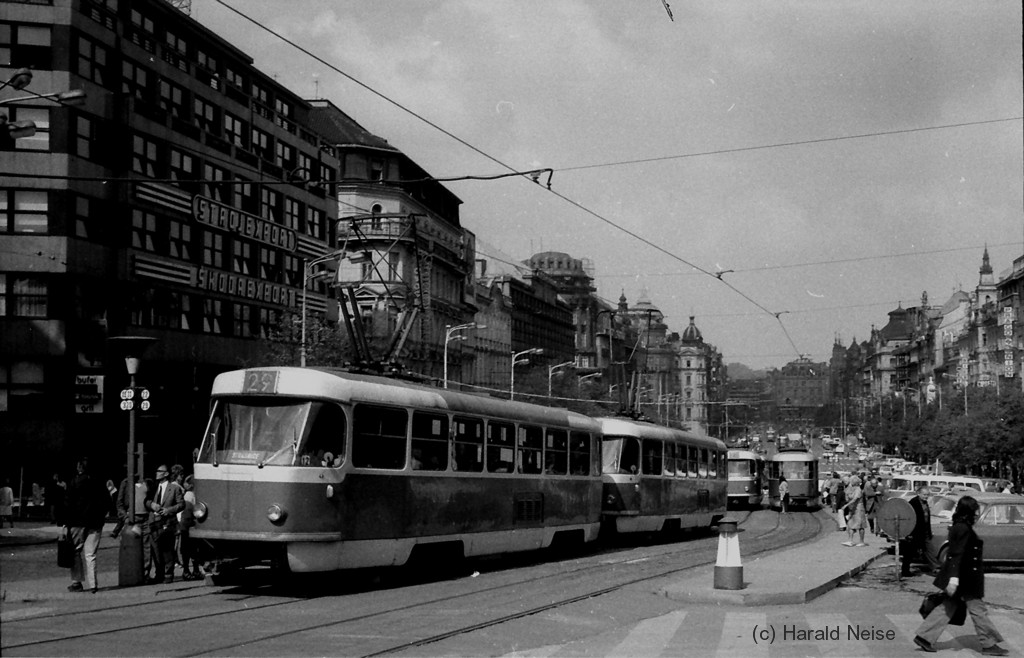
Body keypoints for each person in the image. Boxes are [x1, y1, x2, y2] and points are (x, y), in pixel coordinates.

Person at [913, 496, 1009, 655]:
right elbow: (956, 554)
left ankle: (924, 637)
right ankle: (989, 644)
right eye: (975, 510)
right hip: (966, 578)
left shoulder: (959, 526)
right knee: (979, 611)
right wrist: (954, 579)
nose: (977, 513)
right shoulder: (963, 529)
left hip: (962, 578)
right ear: (969, 511)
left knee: (947, 608)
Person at [62, 459, 110, 593]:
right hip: (95, 522)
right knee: (91, 554)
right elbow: (107, 501)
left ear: (79, 468)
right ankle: (93, 585)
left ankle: (76, 582)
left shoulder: (74, 482)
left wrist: (66, 523)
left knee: (75, 552)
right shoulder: (99, 482)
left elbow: (67, 503)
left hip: (77, 522)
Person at [146, 464, 184, 583]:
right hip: (154, 523)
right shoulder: (153, 487)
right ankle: (159, 574)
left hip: (167, 522)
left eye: (159, 471)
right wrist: (151, 504)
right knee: (156, 551)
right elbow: (146, 500)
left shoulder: (174, 488)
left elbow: (181, 504)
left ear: (166, 474)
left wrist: (169, 510)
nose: (156, 473)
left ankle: (168, 574)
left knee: (167, 550)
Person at [902, 484, 938, 576]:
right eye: (924, 495)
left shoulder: (925, 503)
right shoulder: (913, 503)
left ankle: (935, 568)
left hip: (925, 531)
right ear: (919, 494)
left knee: (930, 550)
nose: (926, 497)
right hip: (915, 532)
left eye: (927, 495)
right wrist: (909, 533)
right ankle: (905, 571)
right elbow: (909, 517)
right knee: (910, 552)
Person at [177, 474, 202, 580]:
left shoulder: (191, 494)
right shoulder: (189, 496)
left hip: (187, 526)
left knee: (192, 550)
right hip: (187, 527)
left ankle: (195, 570)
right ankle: (187, 571)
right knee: (188, 550)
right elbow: (187, 514)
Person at [842, 476, 868, 547]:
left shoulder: (858, 489)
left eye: (851, 481)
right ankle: (850, 540)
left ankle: (861, 541)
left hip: (859, 508)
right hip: (853, 508)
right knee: (851, 524)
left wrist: (846, 505)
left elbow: (855, 499)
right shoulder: (851, 489)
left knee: (860, 525)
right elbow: (847, 498)